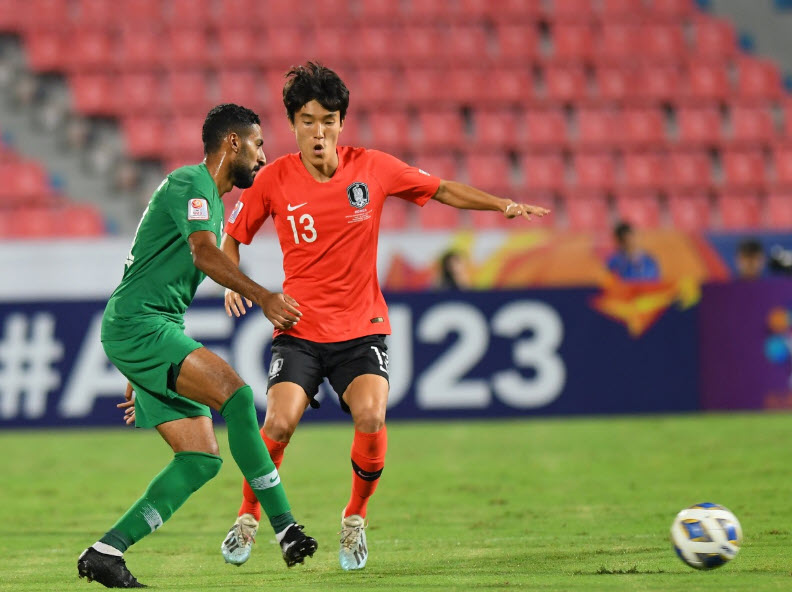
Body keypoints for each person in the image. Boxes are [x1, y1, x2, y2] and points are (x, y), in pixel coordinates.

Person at [218, 62, 550, 571]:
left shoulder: (372, 167)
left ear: (341, 123)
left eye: (328, 120)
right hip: (300, 330)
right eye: (307, 120)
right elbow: (232, 240)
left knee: (372, 415)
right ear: (293, 124)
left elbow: (440, 189)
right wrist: (239, 287)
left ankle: (354, 519)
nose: (318, 131)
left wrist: (502, 205)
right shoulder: (273, 179)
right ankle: (246, 517)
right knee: (279, 422)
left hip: (361, 327)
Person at [77, 104, 317, 589]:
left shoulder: (208, 196)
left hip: (145, 330)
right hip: (141, 327)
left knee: (201, 458)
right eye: (258, 144)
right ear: (233, 143)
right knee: (238, 394)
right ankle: (285, 526)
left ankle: (106, 552)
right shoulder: (192, 184)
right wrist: (264, 296)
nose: (263, 155)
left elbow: (148, 270)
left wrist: (138, 369)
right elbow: (203, 253)